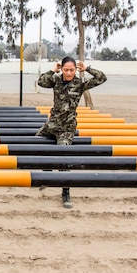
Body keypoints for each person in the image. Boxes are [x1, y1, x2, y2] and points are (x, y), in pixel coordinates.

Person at [36, 56, 107, 209]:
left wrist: (87, 68)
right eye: (66, 70)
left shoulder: (80, 83)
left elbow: (102, 78)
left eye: (71, 70)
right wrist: (52, 70)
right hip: (52, 124)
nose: (68, 73)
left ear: (76, 70)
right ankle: (47, 174)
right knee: (36, 144)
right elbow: (41, 81)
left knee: (64, 159)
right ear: (61, 69)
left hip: (67, 128)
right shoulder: (55, 80)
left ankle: (65, 193)